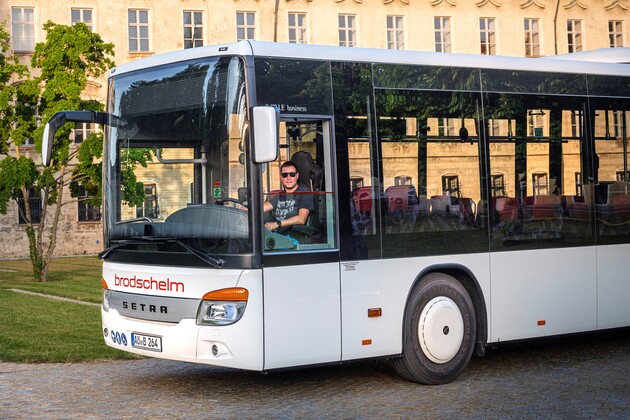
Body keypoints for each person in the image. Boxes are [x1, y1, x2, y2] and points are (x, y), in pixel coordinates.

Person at [264, 161, 314, 231]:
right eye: (285, 175)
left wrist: (277, 224)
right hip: (277, 235)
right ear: (281, 177)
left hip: (294, 237)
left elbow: (301, 219)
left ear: (297, 176)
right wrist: (244, 208)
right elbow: (262, 208)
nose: (288, 177)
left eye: (292, 174)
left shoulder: (304, 193)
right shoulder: (280, 196)